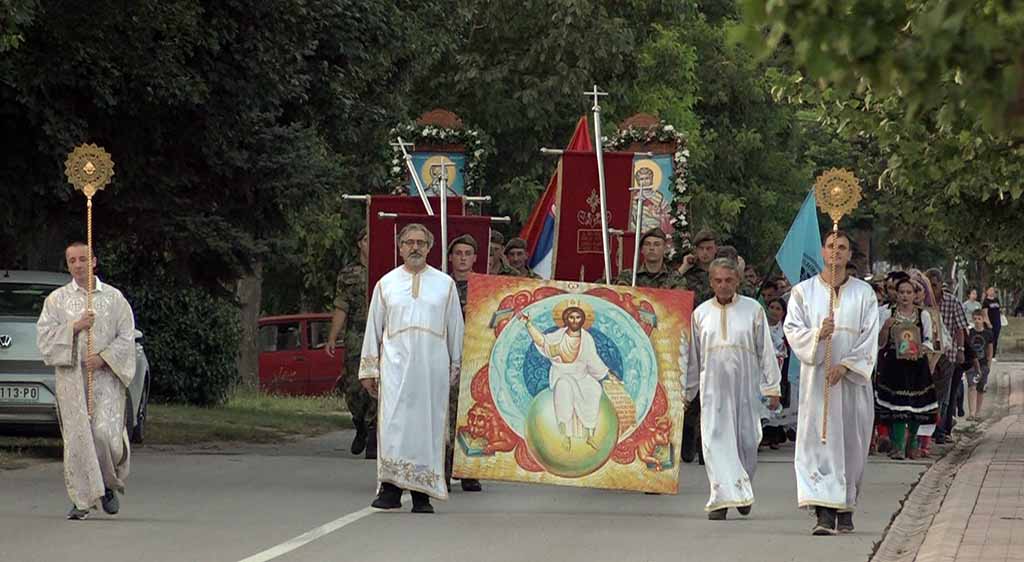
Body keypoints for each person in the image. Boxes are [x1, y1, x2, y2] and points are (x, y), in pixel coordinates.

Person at [359, 224, 465, 514]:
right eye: (409, 242)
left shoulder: (444, 285)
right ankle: (390, 490)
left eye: (420, 242)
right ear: (400, 247)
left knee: (427, 429)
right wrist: (369, 370)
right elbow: (373, 328)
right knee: (394, 425)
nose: (415, 247)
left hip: (432, 371)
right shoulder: (386, 284)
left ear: (430, 247)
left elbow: (456, 327)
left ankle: (422, 495)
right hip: (395, 369)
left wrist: (457, 364)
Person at [784, 230, 879, 536]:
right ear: (822, 252)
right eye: (830, 246)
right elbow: (792, 328)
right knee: (818, 441)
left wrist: (847, 365)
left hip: (851, 385)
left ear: (850, 254)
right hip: (818, 384)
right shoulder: (803, 292)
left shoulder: (864, 294)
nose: (836, 251)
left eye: (842, 247)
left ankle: (845, 504)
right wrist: (817, 335)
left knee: (851, 443)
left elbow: (869, 335)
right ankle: (823, 512)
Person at [36, 242, 137, 520]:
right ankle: (82, 500)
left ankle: (107, 484)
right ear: (67, 265)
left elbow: (127, 336)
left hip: (105, 379)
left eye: (83, 259)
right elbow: (44, 338)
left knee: (103, 434)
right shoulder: (56, 300)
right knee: (78, 439)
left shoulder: (114, 299)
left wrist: (103, 358)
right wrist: (76, 326)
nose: (78, 265)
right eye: (72, 261)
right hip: (71, 379)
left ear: (93, 261)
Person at [686, 258, 782, 520]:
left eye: (728, 280)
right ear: (711, 282)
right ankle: (720, 499)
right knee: (715, 441)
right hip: (713, 390)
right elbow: (693, 358)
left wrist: (772, 387)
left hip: (745, 390)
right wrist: (687, 393)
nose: (723, 285)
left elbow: (766, 351)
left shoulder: (753, 310)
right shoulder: (700, 314)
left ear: (737, 280)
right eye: (718, 280)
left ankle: (742, 488)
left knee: (747, 441)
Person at [518, 303, 619, 450]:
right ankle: (566, 436)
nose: (575, 320)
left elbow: (594, 360)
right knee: (564, 388)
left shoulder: (587, 339)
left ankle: (590, 435)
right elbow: (542, 341)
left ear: (582, 320)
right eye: (571, 317)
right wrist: (528, 324)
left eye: (578, 317)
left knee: (594, 388)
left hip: (582, 375)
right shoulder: (558, 336)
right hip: (562, 374)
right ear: (566, 319)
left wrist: (608, 374)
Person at [874, 278, 938, 461]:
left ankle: (912, 444)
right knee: (897, 406)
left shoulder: (923, 315)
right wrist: (885, 328)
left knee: (916, 407)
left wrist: (920, 349)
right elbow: (880, 343)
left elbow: (929, 340)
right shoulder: (887, 313)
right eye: (901, 292)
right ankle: (898, 445)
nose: (905, 296)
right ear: (896, 294)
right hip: (895, 366)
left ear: (915, 295)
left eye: (909, 292)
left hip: (917, 366)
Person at [326, 228, 376, 458]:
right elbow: (341, 306)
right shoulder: (348, 274)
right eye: (366, 240)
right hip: (357, 335)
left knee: (378, 382)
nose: (370, 244)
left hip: (382, 335)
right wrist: (332, 337)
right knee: (353, 386)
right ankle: (360, 423)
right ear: (359, 244)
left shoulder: (389, 269)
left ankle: (374, 432)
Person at [445, 234, 483, 492]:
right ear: (450, 257)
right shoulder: (442, 287)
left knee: (473, 416)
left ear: (474, 258)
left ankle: (470, 471)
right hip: (448, 358)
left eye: (467, 253)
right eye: (458, 253)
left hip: (475, 358)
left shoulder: (484, 288)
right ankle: (445, 469)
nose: (462, 258)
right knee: (448, 416)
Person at [677, 229, 717, 463]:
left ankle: (705, 446)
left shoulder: (722, 273)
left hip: (715, 336)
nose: (705, 253)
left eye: (709, 248)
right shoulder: (688, 276)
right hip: (691, 334)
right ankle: (688, 436)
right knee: (691, 387)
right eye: (701, 248)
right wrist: (683, 267)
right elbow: (671, 292)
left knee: (711, 391)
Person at [925, 268, 968, 445]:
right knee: (927, 393)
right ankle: (926, 430)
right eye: (928, 285)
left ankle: (939, 429)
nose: (931, 289)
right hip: (926, 355)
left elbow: (959, 328)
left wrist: (961, 349)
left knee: (943, 396)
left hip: (946, 355)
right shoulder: (922, 302)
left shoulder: (952, 302)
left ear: (940, 284)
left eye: (934, 285)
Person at [762, 297, 794, 449]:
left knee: (775, 404)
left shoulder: (786, 331)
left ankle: (774, 435)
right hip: (760, 371)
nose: (774, 311)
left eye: (778, 309)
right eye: (772, 307)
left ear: (783, 313)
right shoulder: (760, 327)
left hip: (779, 370)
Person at [615, 228, 685, 289]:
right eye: (647, 244)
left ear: (665, 249)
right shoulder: (629, 276)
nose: (651, 248)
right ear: (641, 249)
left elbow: (678, 298)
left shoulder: (676, 278)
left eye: (657, 244)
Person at [965, 309, 994, 419]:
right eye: (975, 319)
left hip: (983, 364)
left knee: (980, 388)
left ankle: (978, 412)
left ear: (983, 319)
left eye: (979, 319)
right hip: (971, 364)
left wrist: (989, 365)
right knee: (971, 386)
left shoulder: (988, 334)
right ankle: (971, 412)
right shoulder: (970, 333)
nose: (977, 321)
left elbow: (990, 351)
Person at [982, 287, 1002, 357]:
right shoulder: (986, 301)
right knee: (990, 339)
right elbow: (985, 313)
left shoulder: (996, 300)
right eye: (990, 290)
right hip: (990, 322)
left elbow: (999, 309)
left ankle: (993, 355)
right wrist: (988, 323)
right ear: (987, 291)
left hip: (997, 322)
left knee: (995, 338)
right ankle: (987, 355)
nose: (992, 291)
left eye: (993, 290)